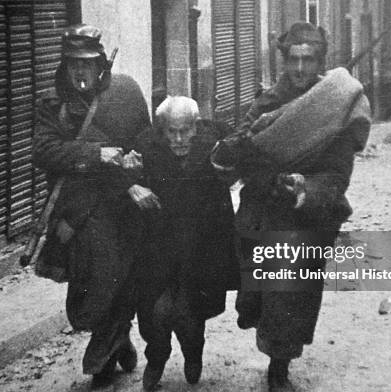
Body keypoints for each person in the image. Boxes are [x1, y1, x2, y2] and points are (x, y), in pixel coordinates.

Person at [211, 22, 371, 392]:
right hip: (263, 208)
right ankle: (265, 330)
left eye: (309, 60)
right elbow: (246, 156)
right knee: (256, 294)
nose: (301, 69)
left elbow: (337, 171)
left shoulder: (336, 105)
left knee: (290, 293)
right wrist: (266, 174)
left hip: (305, 214)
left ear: (320, 61)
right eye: (294, 60)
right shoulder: (266, 103)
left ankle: (279, 366)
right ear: (284, 60)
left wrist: (307, 187)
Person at [32, 24, 151, 388]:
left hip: (123, 206)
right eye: (72, 65)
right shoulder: (53, 105)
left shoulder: (126, 93)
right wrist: (95, 153)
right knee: (90, 285)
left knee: (119, 274)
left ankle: (102, 355)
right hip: (78, 212)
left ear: (101, 64)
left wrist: (134, 170)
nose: (80, 73)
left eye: (87, 64)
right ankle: (117, 336)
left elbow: (146, 144)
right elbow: (44, 151)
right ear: (64, 67)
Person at [133, 96, 238, 391]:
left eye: (185, 131)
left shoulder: (216, 139)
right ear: (162, 129)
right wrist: (132, 186)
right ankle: (157, 356)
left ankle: (193, 353)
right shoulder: (145, 146)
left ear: (196, 126)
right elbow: (117, 173)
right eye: (171, 132)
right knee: (155, 312)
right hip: (159, 245)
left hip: (200, 247)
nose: (178, 139)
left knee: (190, 312)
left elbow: (245, 152)